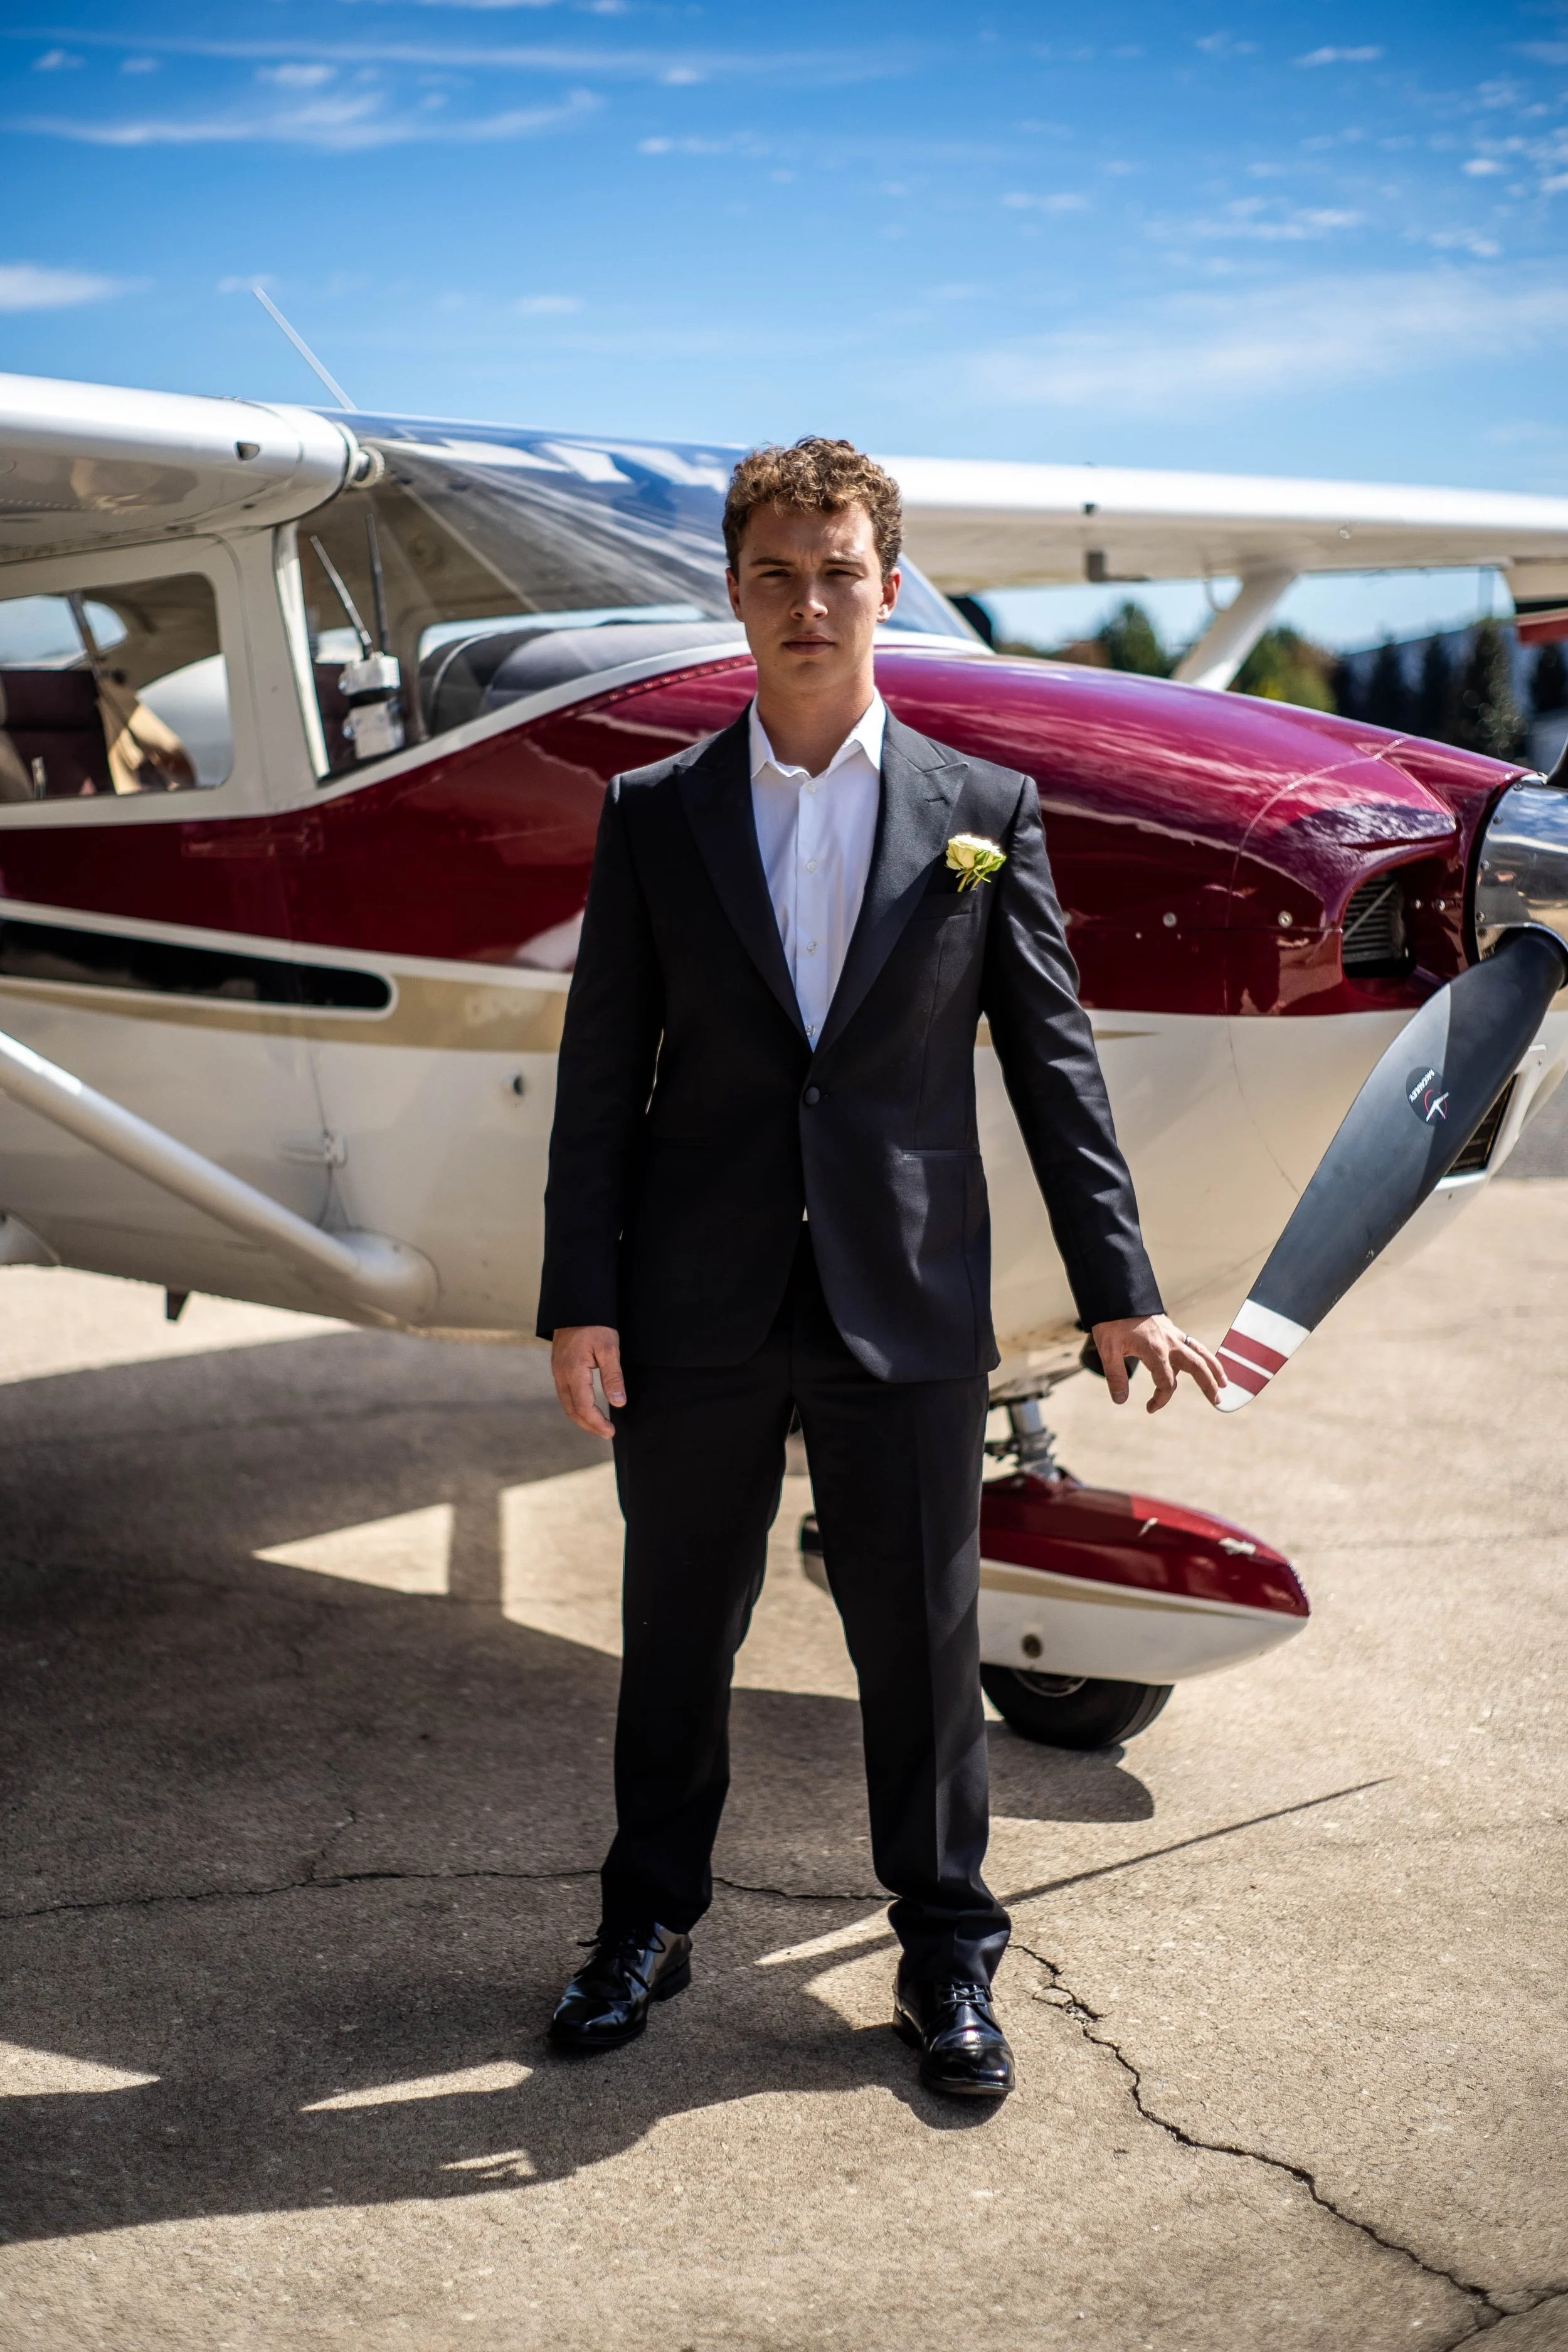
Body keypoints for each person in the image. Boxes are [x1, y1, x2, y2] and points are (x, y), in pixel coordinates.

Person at [536, 438, 1222, 2099]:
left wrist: (1117, 1282)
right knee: (674, 1629)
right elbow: (600, 1072)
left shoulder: (982, 815)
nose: (806, 600)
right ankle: (644, 1921)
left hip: (904, 1296)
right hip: (694, 1295)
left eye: (836, 568)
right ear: (734, 591)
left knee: (918, 1639)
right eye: (774, 571)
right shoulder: (653, 814)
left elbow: (1053, 1067)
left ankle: (944, 1950)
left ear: (886, 586)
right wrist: (580, 1295)